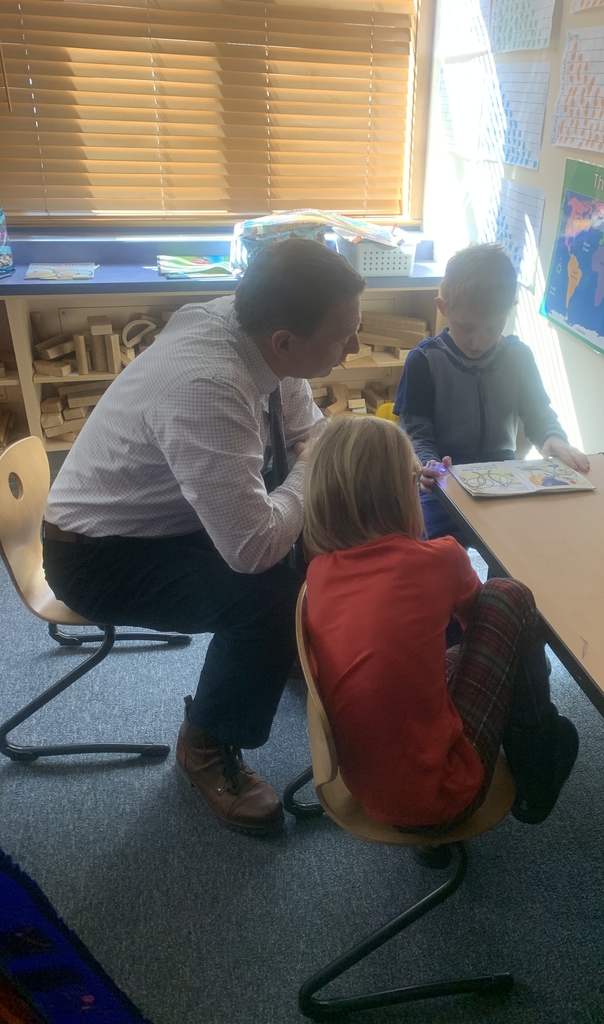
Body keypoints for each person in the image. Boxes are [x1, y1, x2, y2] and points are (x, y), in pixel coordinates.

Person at [42, 239, 366, 835]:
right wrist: (315, 466)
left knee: (293, 530)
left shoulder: (249, 326)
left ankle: (273, 660)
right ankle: (207, 745)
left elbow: (305, 426)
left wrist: (342, 456)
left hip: (157, 519)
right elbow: (252, 548)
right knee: (266, 594)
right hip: (96, 555)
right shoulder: (209, 387)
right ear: (285, 341)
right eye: (342, 338)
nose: (352, 350)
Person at [303, 416, 579, 830]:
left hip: (364, 785)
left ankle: (536, 741)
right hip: (439, 796)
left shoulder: (318, 572)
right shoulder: (439, 558)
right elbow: (481, 618)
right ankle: (537, 754)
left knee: (448, 653)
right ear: (402, 493)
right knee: (510, 596)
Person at [393, 243, 590, 542]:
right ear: (443, 308)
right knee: (436, 558)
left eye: (492, 328)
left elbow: (539, 413)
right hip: (443, 482)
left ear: (509, 312)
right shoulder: (423, 360)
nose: (477, 341)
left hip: (504, 479)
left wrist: (555, 438)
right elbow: (416, 431)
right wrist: (428, 464)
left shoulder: (519, 356)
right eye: (467, 327)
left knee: (513, 553)